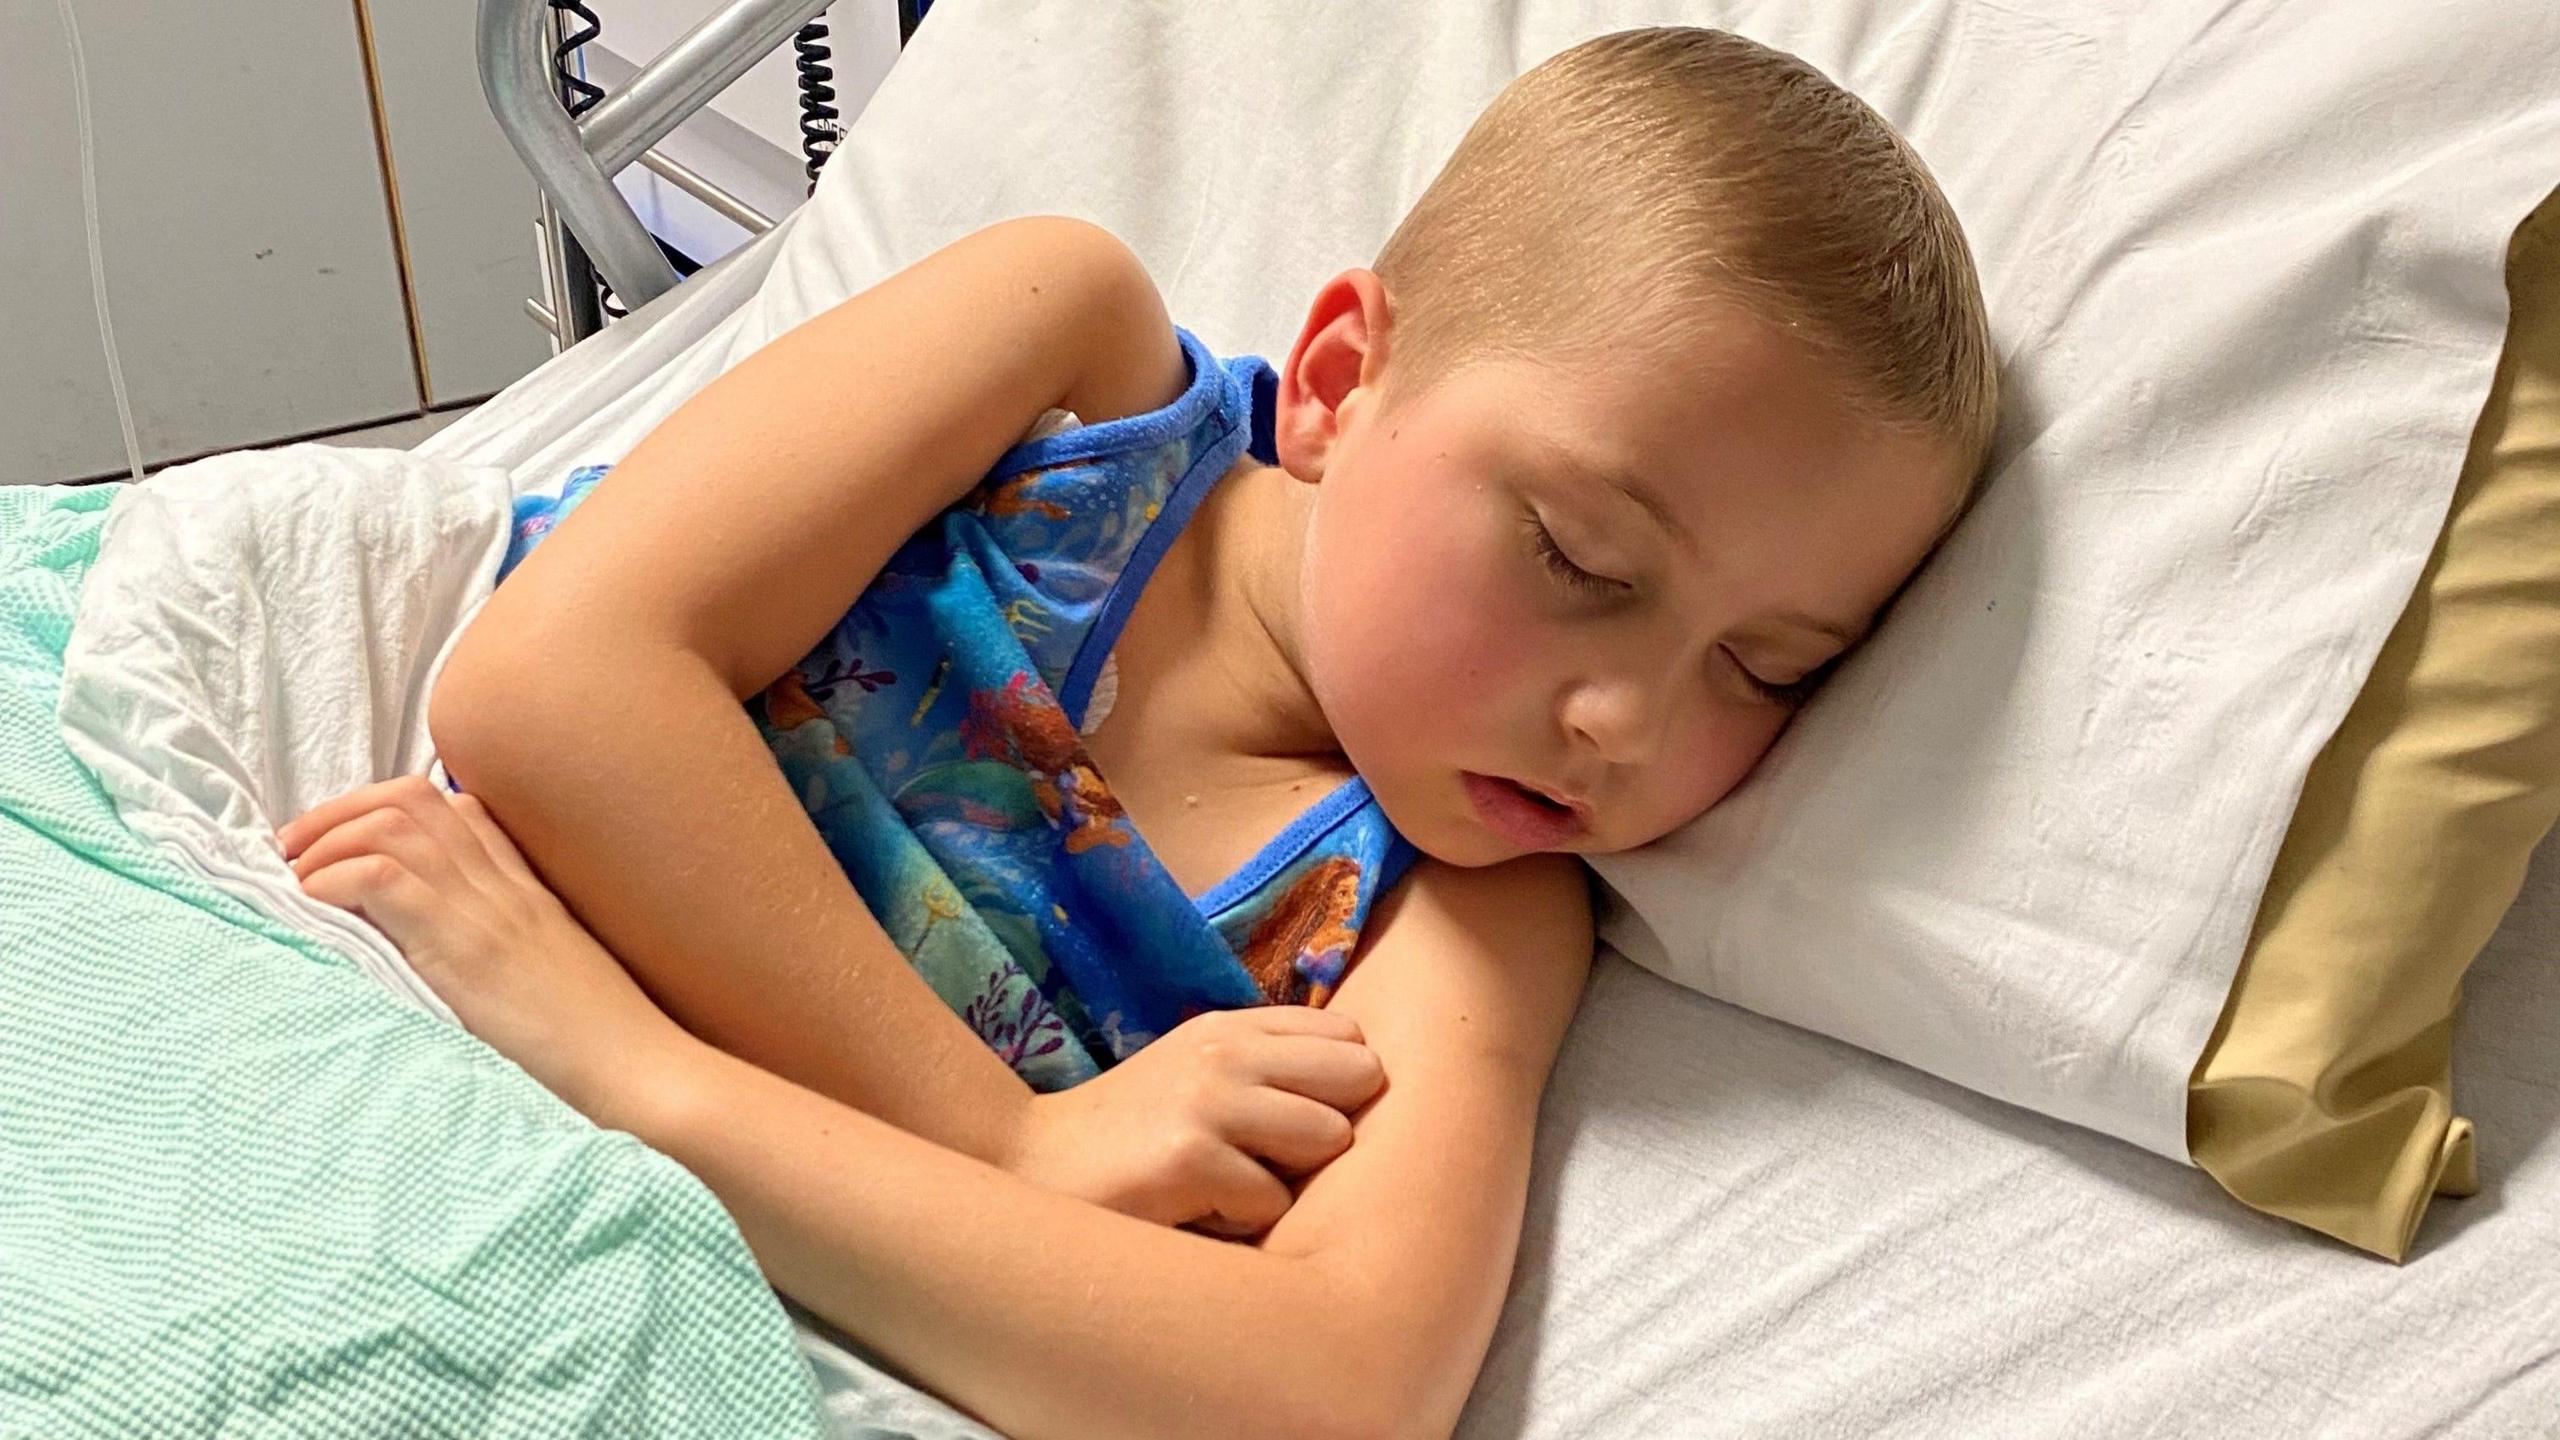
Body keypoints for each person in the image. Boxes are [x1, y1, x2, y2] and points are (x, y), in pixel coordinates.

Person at [277, 26, 1998, 1440]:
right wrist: (1006, 1143)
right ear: (1336, 384)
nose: (1627, 722)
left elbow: (1336, 1388)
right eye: (1580, 557)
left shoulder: (1456, 912)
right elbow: (544, 686)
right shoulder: (1069, 373)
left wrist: (646, 1081)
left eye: (1768, 668)